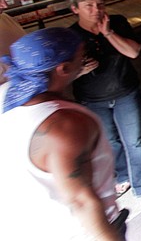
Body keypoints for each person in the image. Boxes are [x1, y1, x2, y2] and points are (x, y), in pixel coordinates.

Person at [0, 28, 127, 240]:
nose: (84, 59)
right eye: (81, 56)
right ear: (64, 68)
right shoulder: (65, 124)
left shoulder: (6, 93)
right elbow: (80, 200)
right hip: (84, 231)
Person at [68, 0, 141, 206]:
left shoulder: (116, 22)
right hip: (91, 99)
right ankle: (123, 176)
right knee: (110, 142)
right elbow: (63, 75)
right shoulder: (70, 36)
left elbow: (133, 52)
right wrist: (78, 71)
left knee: (135, 142)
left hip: (126, 92)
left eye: (99, 4)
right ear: (75, 9)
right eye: (88, 5)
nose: (95, 10)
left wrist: (108, 33)